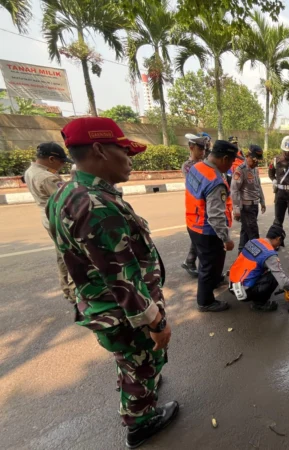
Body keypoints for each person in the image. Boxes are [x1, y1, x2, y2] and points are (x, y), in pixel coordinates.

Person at [46, 117, 177, 449]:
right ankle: (141, 421)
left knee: (132, 362)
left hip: (100, 303)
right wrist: (156, 321)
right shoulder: (95, 204)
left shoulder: (67, 192)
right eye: (125, 151)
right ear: (99, 150)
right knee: (142, 361)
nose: (130, 159)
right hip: (123, 311)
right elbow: (121, 278)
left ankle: (138, 392)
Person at [186, 140, 238, 313]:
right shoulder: (215, 181)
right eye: (231, 161)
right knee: (209, 265)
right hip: (207, 231)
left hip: (193, 223)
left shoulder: (197, 167)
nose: (231, 165)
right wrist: (226, 239)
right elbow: (215, 216)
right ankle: (205, 301)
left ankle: (214, 281)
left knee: (209, 262)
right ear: (224, 158)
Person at [24, 142, 76, 303]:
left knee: (61, 254)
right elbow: (67, 198)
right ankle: (75, 292)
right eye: (61, 161)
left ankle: (67, 289)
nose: (61, 165)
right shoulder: (47, 177)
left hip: (47, 216)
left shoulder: (30, 171)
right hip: (56, 217)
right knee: (71, 255)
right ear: (52, 159)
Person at [229, 224, 289, 312]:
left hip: (232, 284)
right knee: (274, 276)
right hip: (244, 293)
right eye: (280, 243)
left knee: (263, 267)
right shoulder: (269, 254)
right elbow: (282, 282)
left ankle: (253, 291)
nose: (278, 246)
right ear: (278, 239)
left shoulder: (253, 241)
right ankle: (259, 304)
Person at [181, 133, 210, 277]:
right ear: (191, 148)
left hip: (205, 206)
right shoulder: (187, 166)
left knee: (198, 237)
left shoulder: (205, 163)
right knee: (199, 237)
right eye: (200, 149)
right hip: (195, 207)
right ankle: (196, 265)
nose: (203, 152)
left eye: (204, 149)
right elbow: (195, 186)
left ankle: (190, 261)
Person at [231, 144, 266, 253]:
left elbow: (258, 186)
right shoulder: (241, 170)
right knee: (254, 236)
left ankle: (241, 255)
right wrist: (236, 208)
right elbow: (234, 189)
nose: (256, 162)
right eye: (254, 160)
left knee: (245, 232)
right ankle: (257, 262)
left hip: (254, 206)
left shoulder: (255, 169)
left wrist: (262, 201)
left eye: (258, 160)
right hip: (246, 208)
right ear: (248, 156)